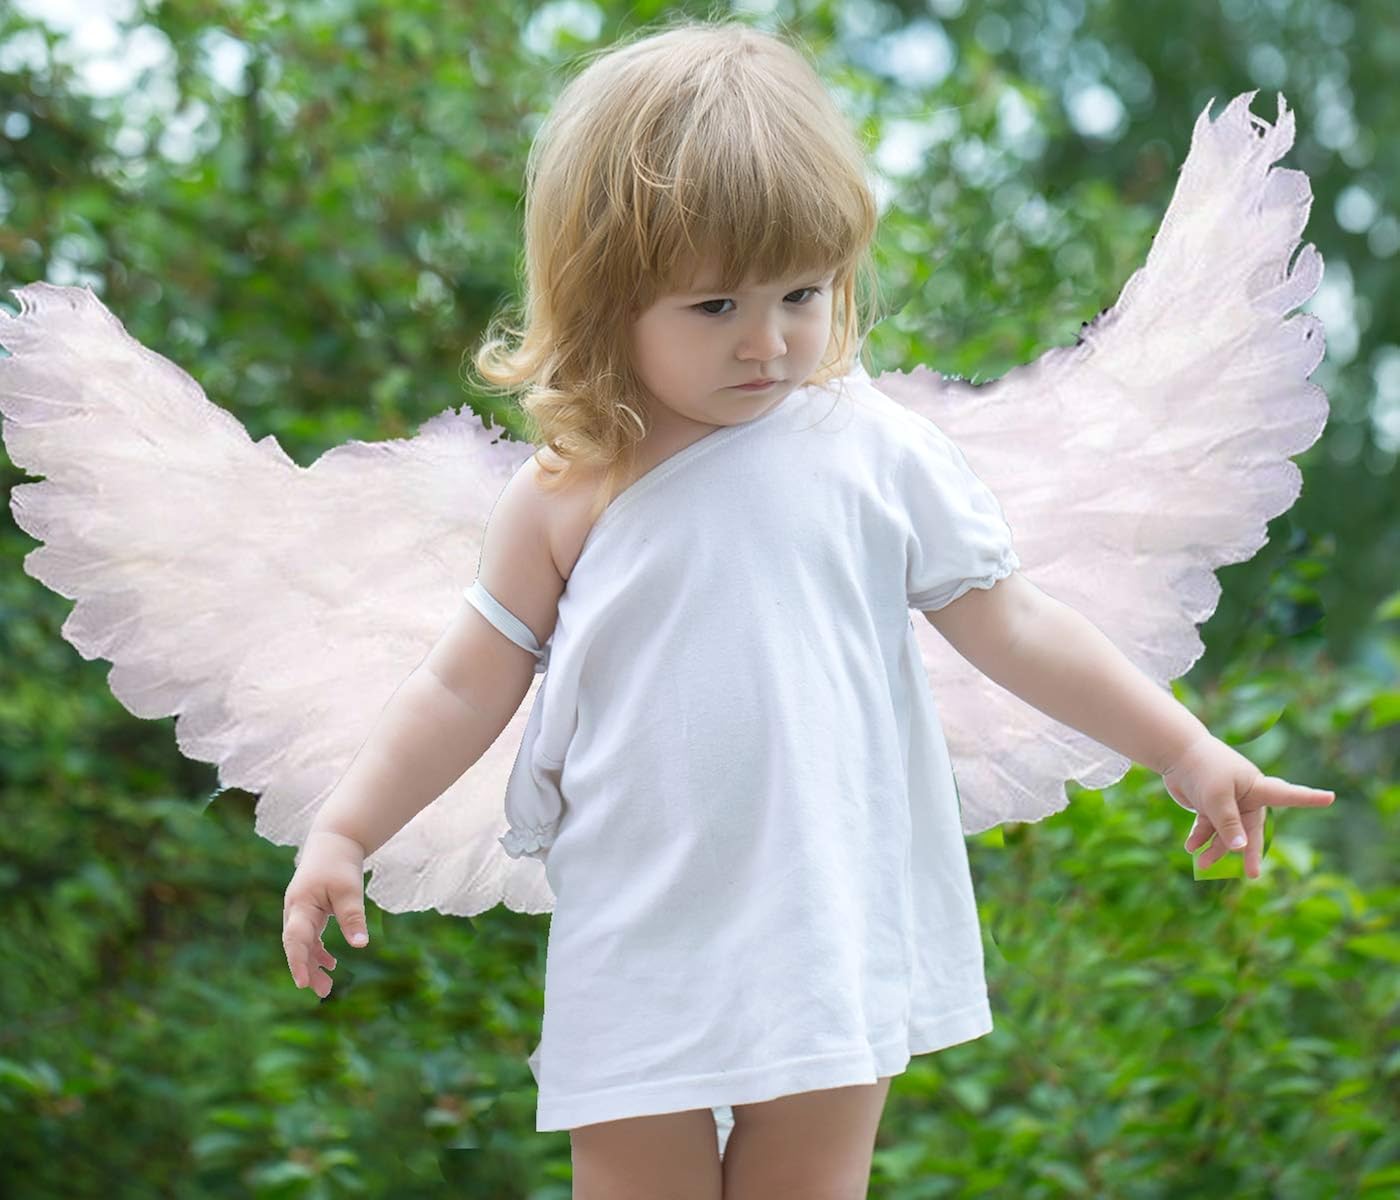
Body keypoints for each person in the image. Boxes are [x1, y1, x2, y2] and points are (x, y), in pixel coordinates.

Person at [0, 16, 1336, 1200]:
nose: (769, 340)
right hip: (642, 921)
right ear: (604, 300)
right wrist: (346, 826)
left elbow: (1015, 623)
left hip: (828, 905)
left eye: (802, 295)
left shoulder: (873, 451)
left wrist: (1186, 748)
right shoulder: (567, 494)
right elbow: (465, 685)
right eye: (716, 305)